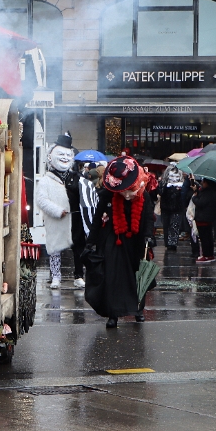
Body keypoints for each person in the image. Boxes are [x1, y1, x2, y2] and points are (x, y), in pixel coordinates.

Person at [84, 156, 155, 328]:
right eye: (123, 191)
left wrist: (148, 237)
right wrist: (90, 242)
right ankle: (113, 314)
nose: (127, 195)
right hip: (114, 238)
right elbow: (97, 219)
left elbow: (148, 218)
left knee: (139, 274)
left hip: (137, 240)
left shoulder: (143, 195)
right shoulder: (107, 195)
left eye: (129, 190)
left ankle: (138, 310)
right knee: (112, 277)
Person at [35, 135, 80, 290]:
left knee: (78, 247)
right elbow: (41, 200)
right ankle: (55, 276)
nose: (65, 158)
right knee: (55, 249)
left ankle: (79, 276)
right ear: (50, 156)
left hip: (74, 217)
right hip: (56, 219)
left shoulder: (76, 177)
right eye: (61, 154)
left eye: (68, 155)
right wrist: (57, 211)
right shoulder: (45, 180)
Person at [192, 178, 216, 263]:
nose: (202, 183)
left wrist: (194, 197)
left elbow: (200, 203)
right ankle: (209, 254)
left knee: (205, 238)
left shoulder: (208, 192)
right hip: (207, 217)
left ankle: (207, 255)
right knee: (208, 237)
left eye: (203, 182)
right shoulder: (211, 191)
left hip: (203, 217)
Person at [159, 162, 185, 251]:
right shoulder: (164, 183)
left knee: (174, 225)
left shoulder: (181, 186)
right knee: (166, 225)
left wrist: (178, 190)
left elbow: (184, 195)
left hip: (177, 208)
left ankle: (172, 243)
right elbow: (160, 192)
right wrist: (166, 186)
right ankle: (168, 243)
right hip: (166, 207)